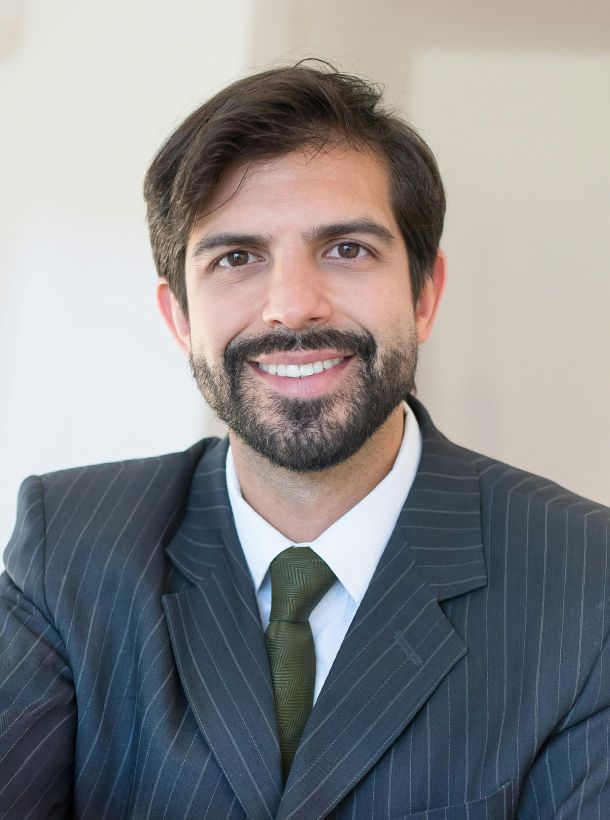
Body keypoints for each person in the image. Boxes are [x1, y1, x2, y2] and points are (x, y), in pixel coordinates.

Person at [1, 62, 608, 820]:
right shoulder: (67, 546)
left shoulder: (587, 578)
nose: (292, 307)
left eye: (346, 249)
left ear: (424, 295)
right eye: (236, 258)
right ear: (180, 319)